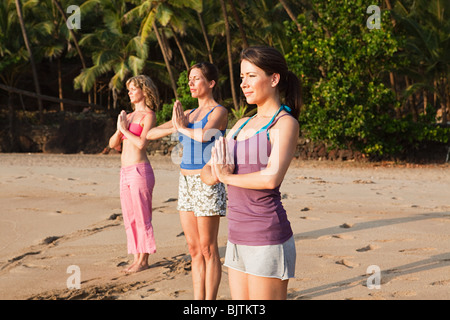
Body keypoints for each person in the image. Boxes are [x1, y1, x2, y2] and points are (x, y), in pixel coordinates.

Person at [202, 46, 301, 300]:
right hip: (236, 237)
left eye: (251, 76)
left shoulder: (283, 124)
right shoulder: (240, 124)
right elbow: (207, 174)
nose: (244, 84)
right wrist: (216, 171)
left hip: (267, 236)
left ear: (274, 78)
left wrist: (225, 177)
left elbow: (271, 178)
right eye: (242, 77)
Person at [146, 62, 228, 300]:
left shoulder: (219, 112)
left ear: (211, 83)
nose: (191, 83)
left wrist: (181, 128)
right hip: (186, 183)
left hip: (208, 182)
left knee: (208, 248)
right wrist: (175, 123)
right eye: (190, 79)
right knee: (194, 249)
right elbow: (150, 134)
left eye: (197, 79)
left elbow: (206, 136)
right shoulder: (189, 114)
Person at [109, 75, 159, 273]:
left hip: (140, 170)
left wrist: (124, 130)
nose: (129, 92)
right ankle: (136, 256)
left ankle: (143, 260)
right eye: (128, 89)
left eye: (133, 89)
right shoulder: (127, 116)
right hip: (125, 171)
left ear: (144, 91)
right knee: (129, 217)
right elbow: (113, 144)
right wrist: (120, 127)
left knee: (142, 216)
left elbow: (141, 143)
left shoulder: (149, 115)